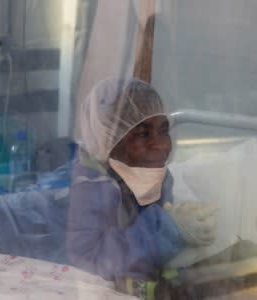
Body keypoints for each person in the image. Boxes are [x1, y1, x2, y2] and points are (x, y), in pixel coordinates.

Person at [66, 78, 217, 297]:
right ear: (109, 138)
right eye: (143, 134)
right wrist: (169, 229)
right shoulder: (87, 189)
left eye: (163, 130)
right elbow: (92, 265)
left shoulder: (156, 176)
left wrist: (179, 219)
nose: (161, 144)